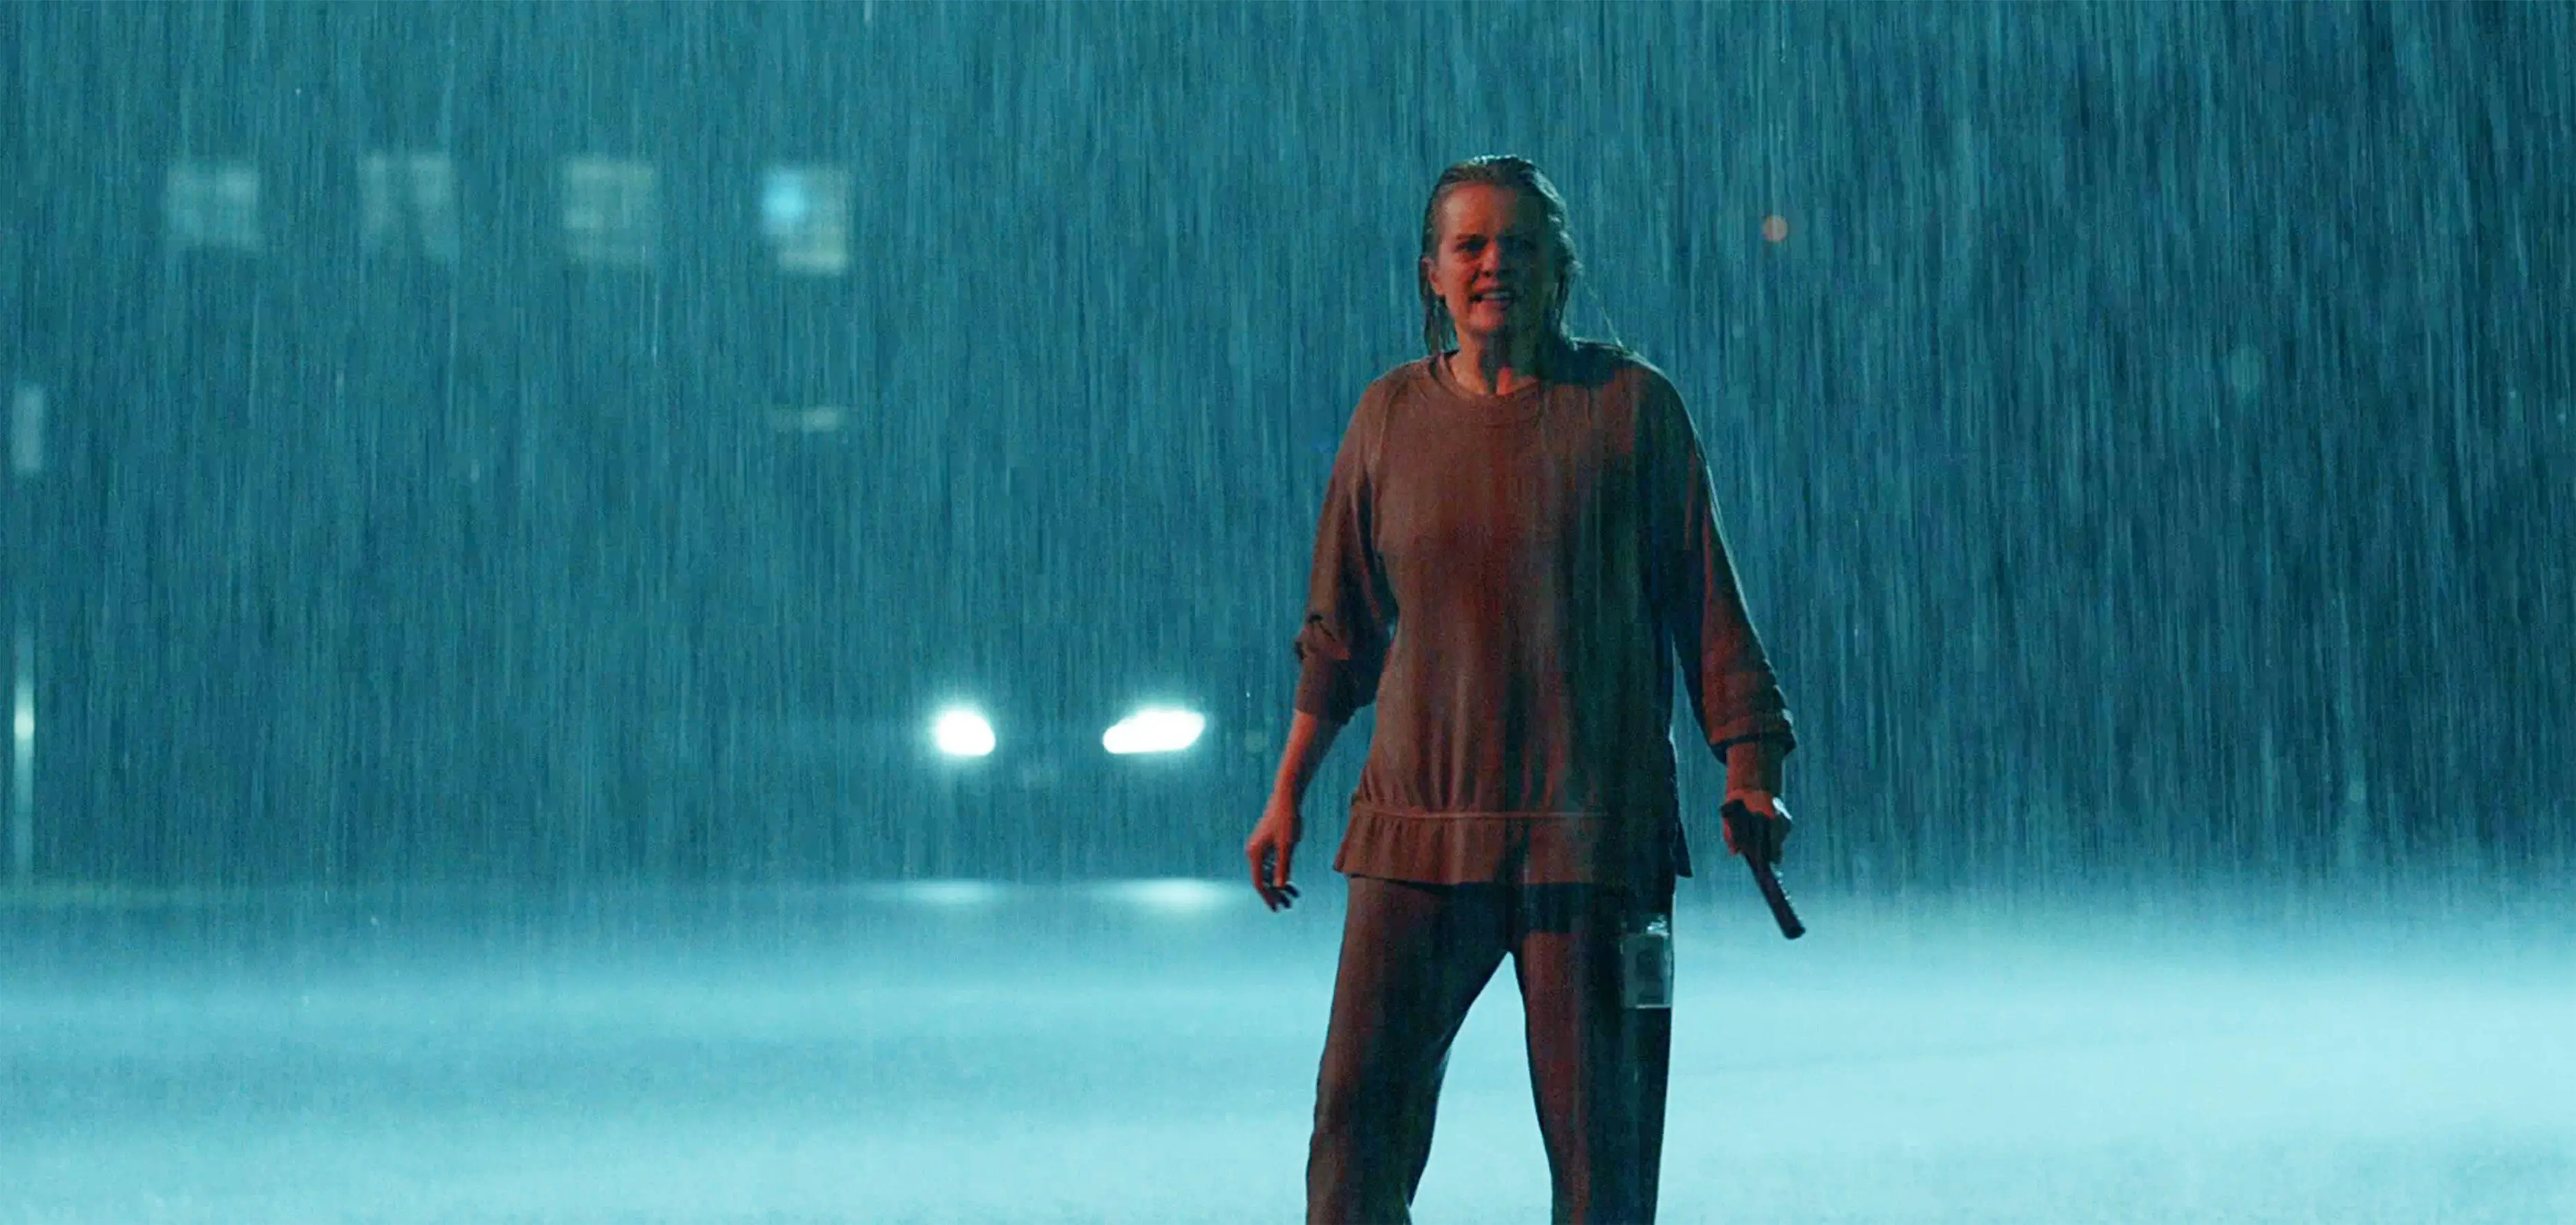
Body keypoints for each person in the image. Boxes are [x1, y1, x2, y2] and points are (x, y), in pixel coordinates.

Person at [1245, 155, 1796, 1225]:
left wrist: (1751, 765)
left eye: (1521, 245)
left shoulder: (1630, 410)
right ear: (1433, 273)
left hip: (1591, 839)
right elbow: (1340, 632)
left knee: (1604, 1162)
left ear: (1558, 269)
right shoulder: (1389, 417)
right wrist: (1287, 794)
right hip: (1418, 833)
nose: (1496, 263)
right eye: (1472, 245)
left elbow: (1706, 604)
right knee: (1356, 1137)